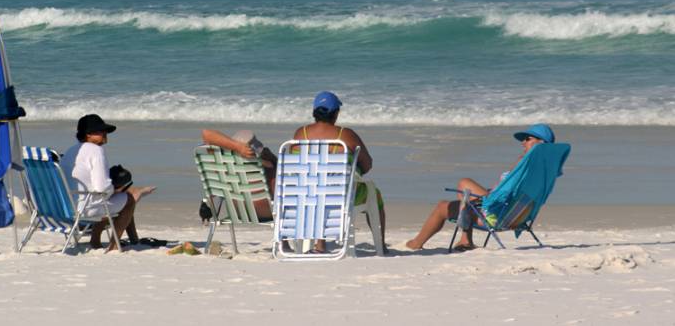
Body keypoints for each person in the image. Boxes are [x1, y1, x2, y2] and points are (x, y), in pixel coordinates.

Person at [404, 123, 555, 251]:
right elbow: (516, 193)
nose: (523, 142)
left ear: (541, 143)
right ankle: (464, 239)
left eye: (528, 139)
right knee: (463, 196)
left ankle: (421, 243)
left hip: (497, 216)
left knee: (451, 197)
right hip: (517, 217)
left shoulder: (525, 162)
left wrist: (492, 194)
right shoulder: (545, 170)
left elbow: (508, 192)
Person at [293, 91, 386, 251]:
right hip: (340, 196)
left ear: (314, 112)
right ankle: (381, 246)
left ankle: (320, 243)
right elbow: (368, 164)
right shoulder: (346, 135)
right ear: (335, 113)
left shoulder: (301, 134)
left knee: (318, 190)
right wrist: (355, 171)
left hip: (306, 195)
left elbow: (296, 167)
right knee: (374, 194)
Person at [60, 114, 155, 251]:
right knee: (128, 200)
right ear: (88, 135)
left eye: (104, 130)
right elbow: (102, 188)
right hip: (85, 208)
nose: (104, 134)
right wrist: (116, 190)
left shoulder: (71, 151)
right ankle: (114, 245)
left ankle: (96, 240)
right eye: (99, 131)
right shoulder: (96, 151)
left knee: (111, 197)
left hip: (66, 206)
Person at [200, 128, 278, 221]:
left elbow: (206, 134)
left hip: (238, 213)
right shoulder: (267, 164)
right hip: (265, 212)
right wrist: (274, 160)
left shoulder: (224, 165)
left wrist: (237, 147)